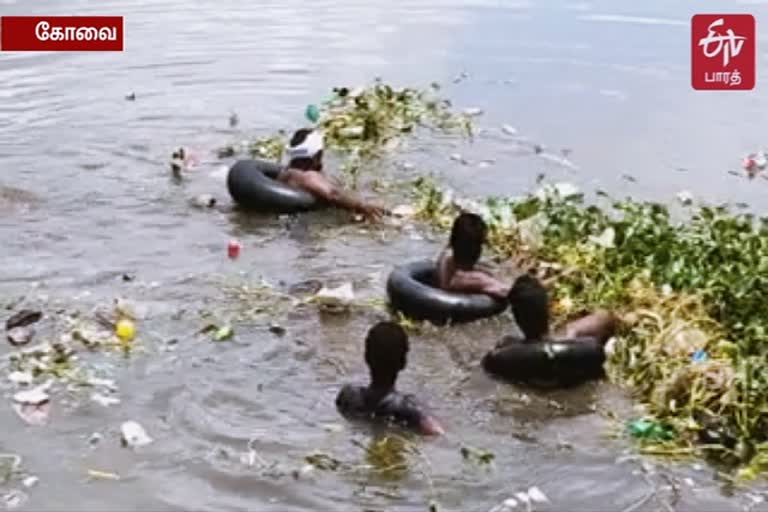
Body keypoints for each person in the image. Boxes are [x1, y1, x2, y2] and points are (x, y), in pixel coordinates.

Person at [482, 273, 618, 386]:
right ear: (547, 310)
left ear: (516, 316)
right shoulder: (585, 345)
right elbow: (607, 318)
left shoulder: (500, 354)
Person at [335, 321, 445, 436]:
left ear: (366, 357)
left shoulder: (348, 395)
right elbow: (437, 432)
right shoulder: (408, 407)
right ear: (403, 362)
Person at [277, 128, 389, 222]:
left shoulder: (287, 173)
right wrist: (363, 206)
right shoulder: (307, 176)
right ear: (317, 155)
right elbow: (333, 193)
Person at [436, 213, 510, 299]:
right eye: (482, 243)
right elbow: (508, 291)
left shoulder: (445, 257)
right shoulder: (474, 279)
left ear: (452, 240)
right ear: (478, 250)